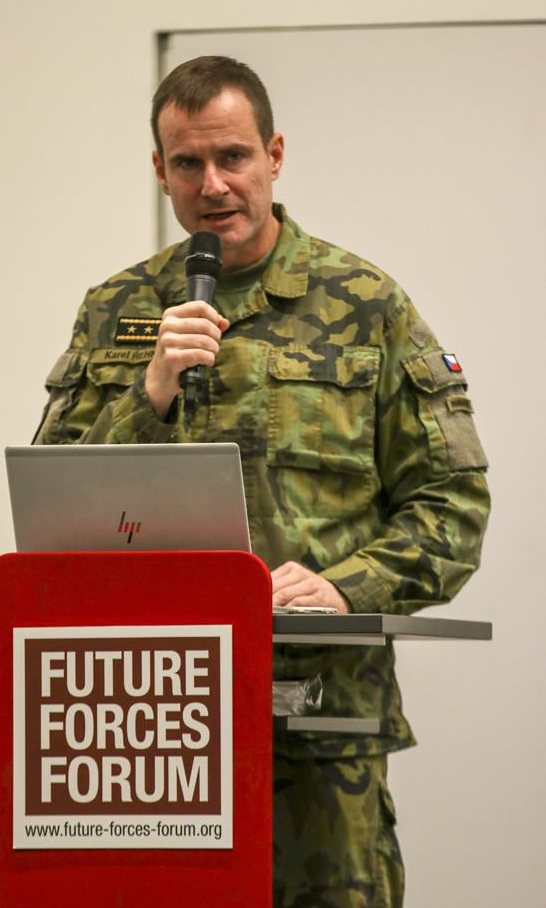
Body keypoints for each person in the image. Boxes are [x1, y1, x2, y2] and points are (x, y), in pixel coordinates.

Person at [33, 56, 490, 907]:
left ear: (273, 155)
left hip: (316, 720)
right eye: (187, 162)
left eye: (233, 157)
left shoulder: (366, 304)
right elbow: (53, 507)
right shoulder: (115, 309)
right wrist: (148, 395)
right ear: (159, 169)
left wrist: (347, 587)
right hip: (146, 722)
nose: (212, 185)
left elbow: (451, 506)